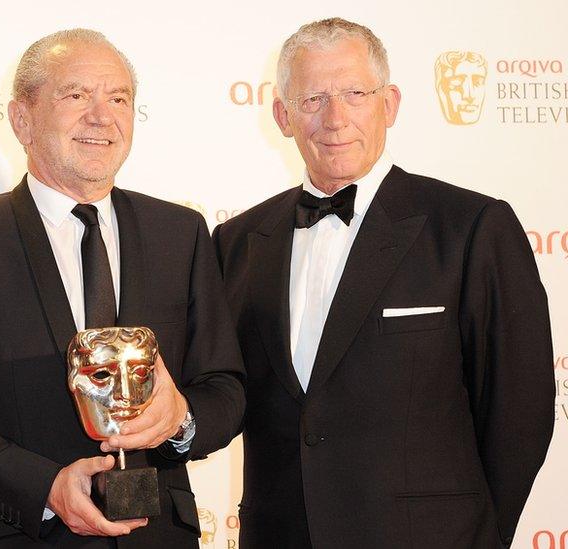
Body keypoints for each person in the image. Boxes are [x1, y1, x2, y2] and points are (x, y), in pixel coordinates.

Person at [212, 18, 554, 548]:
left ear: (390, 103)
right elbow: (224, 391)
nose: (335, 117)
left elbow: (520, 412)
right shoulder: (235, 241)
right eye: (313, 98)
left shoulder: (471, 226)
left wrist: (477, 537)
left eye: (355, 93)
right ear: (282, 115)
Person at [0, 28, 245, 548]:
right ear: (22, 119)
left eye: (119, 98)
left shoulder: (182, 233)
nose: (102, 116)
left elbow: (226, 389)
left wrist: (181, 420)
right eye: (76, 95)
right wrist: (46, 489)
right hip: (22, 535)